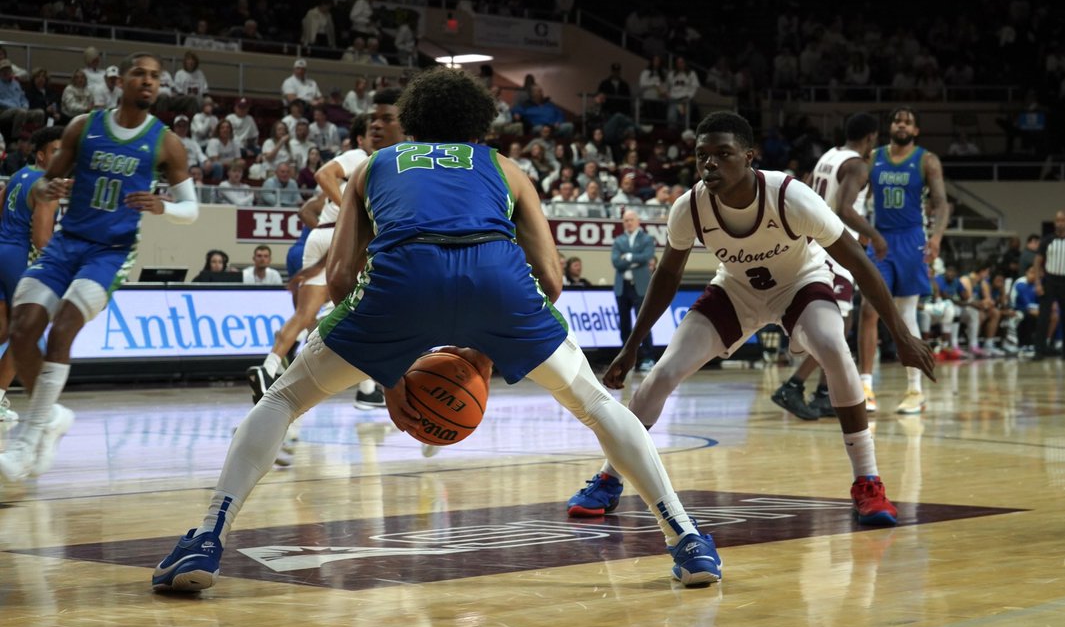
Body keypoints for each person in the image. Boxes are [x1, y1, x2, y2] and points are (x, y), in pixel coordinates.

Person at [152, 66, 721, 591]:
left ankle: (206, 539)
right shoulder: (506, 167)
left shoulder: (375, 165)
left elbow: (342, 275)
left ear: (412, 120)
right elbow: (551, 279)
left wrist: (386, 363)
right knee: (595, 404)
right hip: (497, 280)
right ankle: (686, 539)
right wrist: (488, 351)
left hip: (403, 280)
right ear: (480, 124)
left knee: (282, 400)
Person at [564, 111, 935, 528]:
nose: (710, 164)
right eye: (702, 155)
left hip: (799, 284)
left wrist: (901, 335)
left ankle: (868, 481)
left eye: (723, 154)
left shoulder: (790, 197)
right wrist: (632, 345)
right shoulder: (690, 207)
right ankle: (609, 477)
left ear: (748, 157)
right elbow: (667, 276)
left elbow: (860, 263)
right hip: (736, 291)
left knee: (834, 348)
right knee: (662, 373)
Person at [0, 53, 197, 483]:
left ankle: (29, 439)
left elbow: (191, 209)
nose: (148, 81)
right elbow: (45, 182)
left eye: (155, 76)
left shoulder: (165, 142)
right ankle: (51, 416)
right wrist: (49, 187)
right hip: (66, 243)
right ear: (119, 81)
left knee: (63, 328)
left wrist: (163, 206)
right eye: (139, 74)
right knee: (22, 329)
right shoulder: (82, 126)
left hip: (110, 252)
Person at [246, 110, 395, 409]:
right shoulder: (359, 158)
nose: (378, 135)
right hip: (342, 235)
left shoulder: (355, 177)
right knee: (363, 312)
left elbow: (309, 207)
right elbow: (322, 174)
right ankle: (367, 388)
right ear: (360, 139)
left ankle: (269, 367)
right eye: (371, 132)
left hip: (322, 234)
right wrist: (352, 213)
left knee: (307, 315)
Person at [772, 113, 885, 420]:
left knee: (839, 323)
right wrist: (875, 236)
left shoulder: (829, 156)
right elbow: (845, 210)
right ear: (871, 137)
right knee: (838, 326)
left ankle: (824, 394)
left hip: (817, 245)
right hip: (836, 250)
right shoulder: (856, 165)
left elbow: (804, 192)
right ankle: (793, 386)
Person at [857, 106, 949, 414]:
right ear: (891, 126)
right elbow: (859, 195)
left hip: (911, 240)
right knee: (869, 309)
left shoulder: (926, 160)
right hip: (880, 239)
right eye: (897, 120)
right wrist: (862, 228)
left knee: (907, 314)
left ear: (916, 130)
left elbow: (941, 203)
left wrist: (936, 237)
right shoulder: (874, 157)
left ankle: (915, 390)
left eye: (908, 122)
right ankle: (865, 386)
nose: (902, 125)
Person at [0, 126, 64, 424]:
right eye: (55, 151)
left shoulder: (18, 175)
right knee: (27, 333)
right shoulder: (47, 185)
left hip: (2, 251)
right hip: (19, 259)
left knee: (3, 330)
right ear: (41, 155)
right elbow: (41, 238)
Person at [1031, 211, 1065, 361]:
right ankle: (1039, 351)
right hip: (1049, 279)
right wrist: (1038, 282)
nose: (1060, 223)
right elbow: (1037, 261)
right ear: (1054, 223)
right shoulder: (1047, 240)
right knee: (1044, 317)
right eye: (1057, 220)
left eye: (1063, 220)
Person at [612, 209, 656, 371]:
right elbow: (616, 262)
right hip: (623, 286)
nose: (628, 223)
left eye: (631, 219)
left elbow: (647, 257)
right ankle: (626, 359)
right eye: (626, 220)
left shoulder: (646, 239)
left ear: (638, 221)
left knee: (642, 322)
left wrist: (628, 257)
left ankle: (648, 357)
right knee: (624, 324)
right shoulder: (619, 240)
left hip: (640, 286)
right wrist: (636, 260)